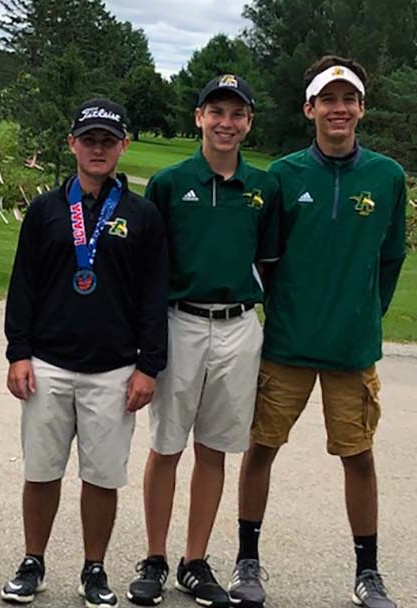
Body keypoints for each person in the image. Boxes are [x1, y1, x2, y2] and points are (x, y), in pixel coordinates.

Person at [232, 56, 407, 608]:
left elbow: (391, 259)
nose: (339, 109)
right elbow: (264, 258)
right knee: (261, 448)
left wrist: (362, 315)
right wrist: (286, 309)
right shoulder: (283, 176)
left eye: (348, 99)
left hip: (351, 350)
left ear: (360, 108)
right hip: (287, 344)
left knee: (359, 456)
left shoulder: (387, 176)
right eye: (327, 100)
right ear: (309, 109)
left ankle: (368, 571)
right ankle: (246, 561)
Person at [0, 99, 168, 607]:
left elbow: (153, 296)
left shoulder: (142, 216)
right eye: (89, 139)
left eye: (108, 141)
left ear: (123, 146)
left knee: (102, 476)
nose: (98, 149)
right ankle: (33, 560)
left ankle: (94, 568)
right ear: (72, 143)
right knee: (42, 470)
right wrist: (18, 353)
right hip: (48, 363)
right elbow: (23, 286)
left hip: (114, 369)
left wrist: (148, 366)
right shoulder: (47, 209)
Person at [127, 75, 280, 608]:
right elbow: (149, 269)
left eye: (237, 114)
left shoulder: (264, 188)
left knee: (213, 448)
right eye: (216, 111)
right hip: (181, 321)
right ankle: (154, 557)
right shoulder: (171, 183)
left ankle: (195, 560)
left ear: (248, 123)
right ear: (198, 118)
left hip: (239, 324)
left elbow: (268, 263)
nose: (226, 123)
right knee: (166, 444)